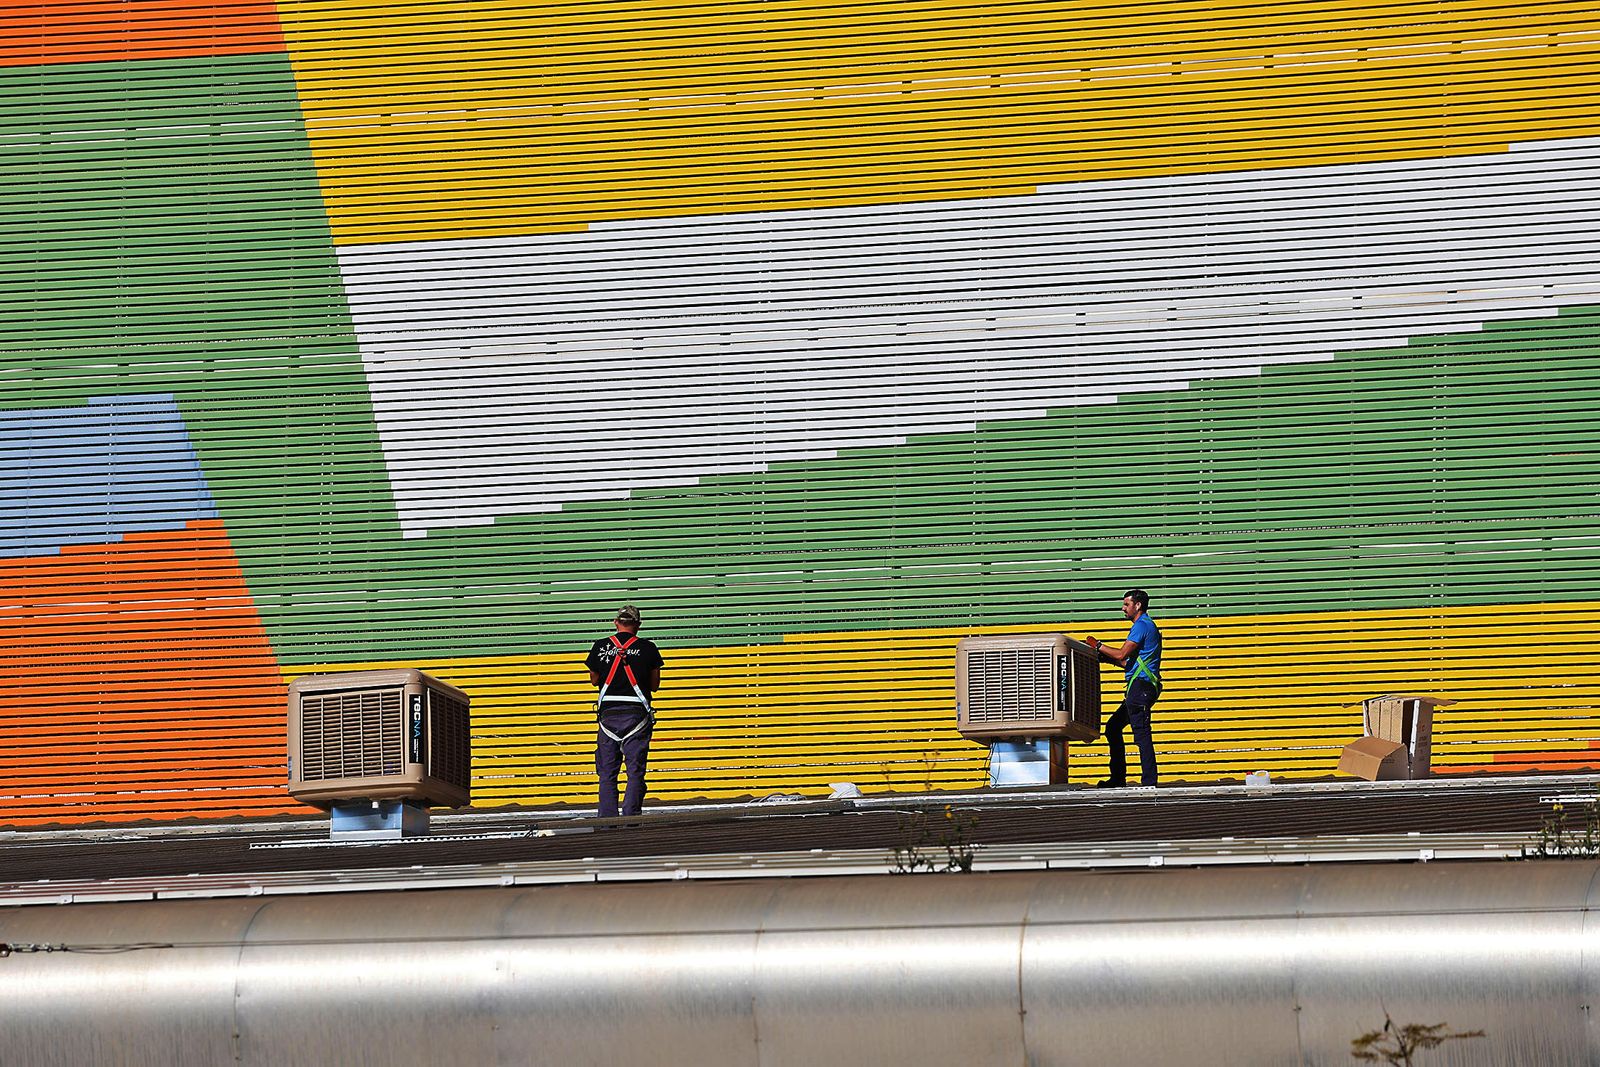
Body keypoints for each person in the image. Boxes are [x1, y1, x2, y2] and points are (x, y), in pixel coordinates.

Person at [584, 605, 664, 818]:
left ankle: (607, 820)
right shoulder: (648, 648)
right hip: (636, 714)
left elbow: (594, 680)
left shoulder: (600, 646)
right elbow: (654, 684)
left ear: (616, 622)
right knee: (635, 771)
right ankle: (631, 818)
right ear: (638, 625)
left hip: (608, 715)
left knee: (607, 771)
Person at [1085, 588, 1163, 788]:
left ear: (1138, 605)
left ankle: (1149, 782)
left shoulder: (1142, 625)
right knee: (1113, 728)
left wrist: (1098, 645)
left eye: (1126, 604)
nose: (1123, 608)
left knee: (1142, 733)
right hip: (1139, 687)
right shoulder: (1147, 626)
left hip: (1141, 688)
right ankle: (1118, 778)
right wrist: (1106, 659)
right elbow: (1128, 663)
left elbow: (1121, 655)